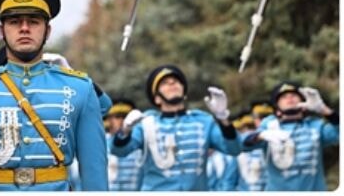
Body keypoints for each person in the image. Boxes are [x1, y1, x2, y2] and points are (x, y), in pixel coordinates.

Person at [0, 0, 107, 190]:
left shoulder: (78, 88)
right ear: (2, 31)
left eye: (33, 21)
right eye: (14, 22)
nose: (24, 28)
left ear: (47, 31)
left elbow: (94, 172)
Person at [109, 64, 240, 190]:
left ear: (184, 92)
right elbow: (119, 151)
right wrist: (125, 130)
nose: (172, 84)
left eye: (176, 81)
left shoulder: (203, 122)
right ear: (157, 99)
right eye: (165, 83)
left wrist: (223, 118)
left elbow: (234, 148)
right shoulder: (146, 123)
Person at [241, 81, 338, 191]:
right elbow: (239, 145)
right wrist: (259, 136)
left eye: (294, 95)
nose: (290, 98)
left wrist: (325, 111)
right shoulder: (269, 126)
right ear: (276, 107)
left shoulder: (316, 126)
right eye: (284, 97)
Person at [106, 98, 144, 191]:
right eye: (118, 116)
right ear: (109, 119)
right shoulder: (99, 143)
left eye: (126, 116)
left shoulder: (139, 142)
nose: (123, 120)